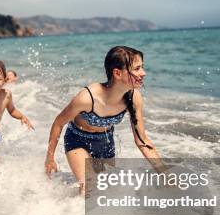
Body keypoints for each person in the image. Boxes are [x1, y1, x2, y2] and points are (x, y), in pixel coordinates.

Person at [44, 46, 166, 195]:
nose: (143, 73)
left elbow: (142, 141)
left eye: (142, 67)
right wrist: (50, 157)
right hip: (77, 141)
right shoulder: (87, 98)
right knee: (89, 189)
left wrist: (164, 173)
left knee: (106, 191)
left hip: (105, 143)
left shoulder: (134, 98)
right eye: (137, 68)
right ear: (117, 73)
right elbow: (58, 123)